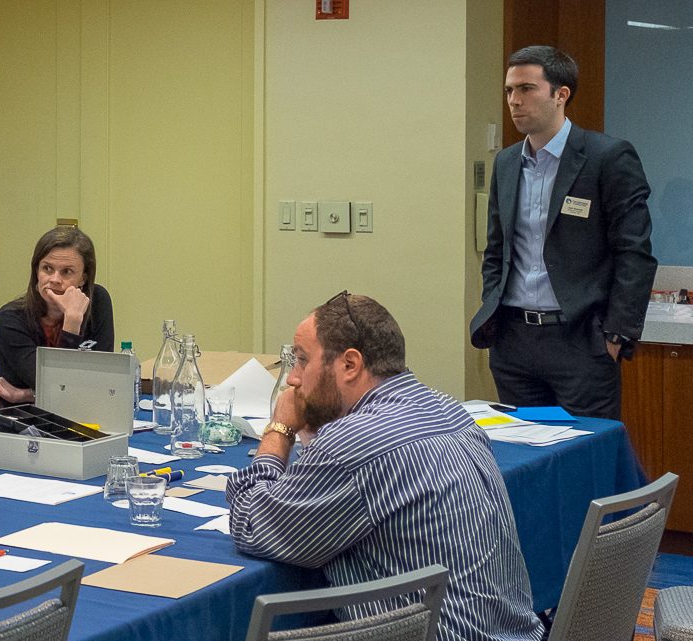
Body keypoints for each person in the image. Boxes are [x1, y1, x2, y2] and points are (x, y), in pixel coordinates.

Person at [228, 292, 544, 641]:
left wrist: (281, 429)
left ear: (350, 364)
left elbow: (252, 522)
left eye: (302, 361)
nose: (293, 379)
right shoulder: (451, 411)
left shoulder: (352, 442)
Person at [470, 45, 656, 420]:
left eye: (526, 89)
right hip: (514, 342)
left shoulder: (608, 157)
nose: (514, 101)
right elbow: (497, 250)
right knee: (527, 459)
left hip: (582, 341)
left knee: (586, 460)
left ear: (560, 94)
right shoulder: (506, 162)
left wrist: (616, 335)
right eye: (509, 91)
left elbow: (634, 253)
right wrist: (494, 307)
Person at [0, 226, 113, 413]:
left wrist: (25, 394)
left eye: (67, 272)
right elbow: (58, 387)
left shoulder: (98, 302)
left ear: (83, 278)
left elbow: (103, 381)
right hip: (5, 417)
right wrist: (72, 322)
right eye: (47, 268)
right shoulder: (9, 319)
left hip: (70, 413)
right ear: (36, 271)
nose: (55, 279)